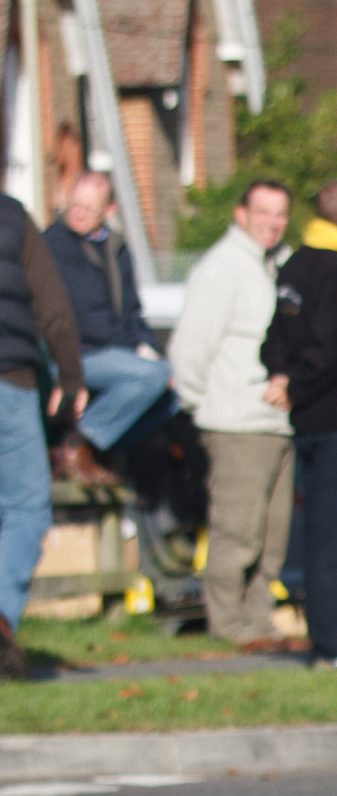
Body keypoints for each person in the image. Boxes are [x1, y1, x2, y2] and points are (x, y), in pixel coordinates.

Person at [262, 180, 337, 668]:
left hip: (309, 418)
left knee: (317, 532)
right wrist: (297, 385)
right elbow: (332, 346)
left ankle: (325, 636)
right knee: (335, 535)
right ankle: (335, 642)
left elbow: (277, 334)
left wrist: (281, 375)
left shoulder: (295, 262)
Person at [167, 178, 294, 651]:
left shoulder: (279, 266)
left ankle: (260, 621)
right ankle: (229, 625)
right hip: (236, 422)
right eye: (263, 212)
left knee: (272, 536)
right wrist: (206, 403)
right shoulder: (221, 268)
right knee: (237, 532)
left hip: (278, 422)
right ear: (241, 214)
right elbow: (190, 351)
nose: (272, 223)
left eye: (280, 214)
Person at [0, 190, 85, 680]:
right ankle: (2, 618)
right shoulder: (12, 217)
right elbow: (52, 304)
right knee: (27, 507)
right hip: (9, 381)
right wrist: (71, 377)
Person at [42, 172, 169, 475]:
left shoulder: (116, 247)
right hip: (77, 352)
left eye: (89, 208)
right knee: (150, 377)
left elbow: (131, 311)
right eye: (74, 205)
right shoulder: (55, 245)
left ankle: (101, 450)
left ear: (108, 211)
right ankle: (79, 442)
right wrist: (135, 351)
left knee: (175, 390)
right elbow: (85, 318)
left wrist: (149, 347)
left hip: (112, 349)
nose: (78, 213)